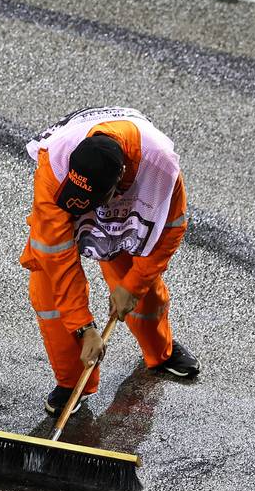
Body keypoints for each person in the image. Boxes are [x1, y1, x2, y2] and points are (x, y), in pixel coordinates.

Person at [21, 106, 201, 416]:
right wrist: (83, 328)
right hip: (88, 188)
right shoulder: (55, 166)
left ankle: (162, 353)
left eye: (92, 202)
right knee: (48, 290)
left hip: (132, 196)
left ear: (118, 180)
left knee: (136, 286)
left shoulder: (161, 168)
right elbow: (56, 255)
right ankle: (72, 383)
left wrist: (133, 286)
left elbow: (170, 230)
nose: (82, 208)